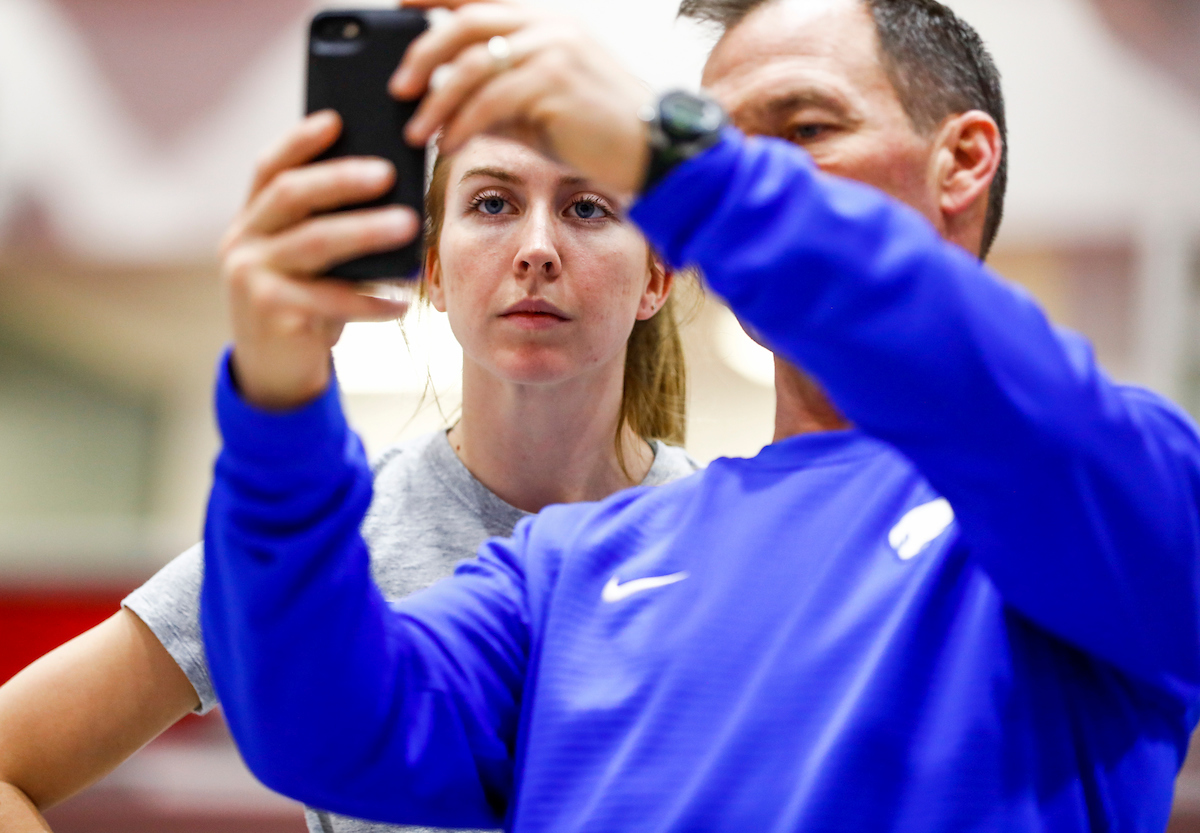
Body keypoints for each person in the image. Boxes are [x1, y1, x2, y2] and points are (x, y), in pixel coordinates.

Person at [201, 0, 1200, 830]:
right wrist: (277, 404)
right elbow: (317, 723)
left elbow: (992, 387)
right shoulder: (570, 563)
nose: (742, 177)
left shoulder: (1114, 474)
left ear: (962, 161)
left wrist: (684, 163)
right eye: (723, 146)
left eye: (804, 130)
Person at [0, 114, 698, 833]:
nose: (537, 249)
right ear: (434, 271)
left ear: (655, 276)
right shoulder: (324, 545)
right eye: (493, 203)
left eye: (587, 208)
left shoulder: (732, 544)